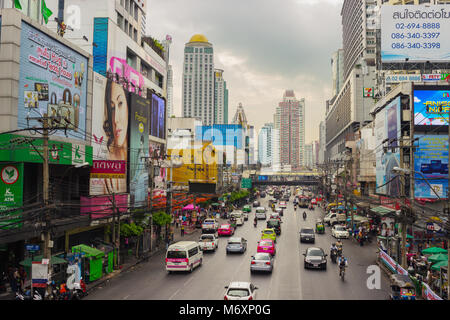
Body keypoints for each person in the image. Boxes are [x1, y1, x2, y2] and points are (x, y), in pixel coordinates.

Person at [102, 79, 129, 194]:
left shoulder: (138, 158)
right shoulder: (106, 166)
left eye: (120, 103)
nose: (116, 119)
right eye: (112, 108)